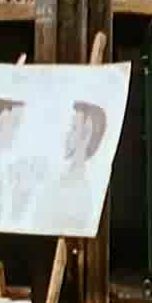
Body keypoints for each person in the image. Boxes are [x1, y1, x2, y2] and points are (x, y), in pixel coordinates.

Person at [31, 100, 107, 237]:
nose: (67, 134)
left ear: (86, 134)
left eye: (73, 128)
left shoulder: (79, 191)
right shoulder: (61, 177)